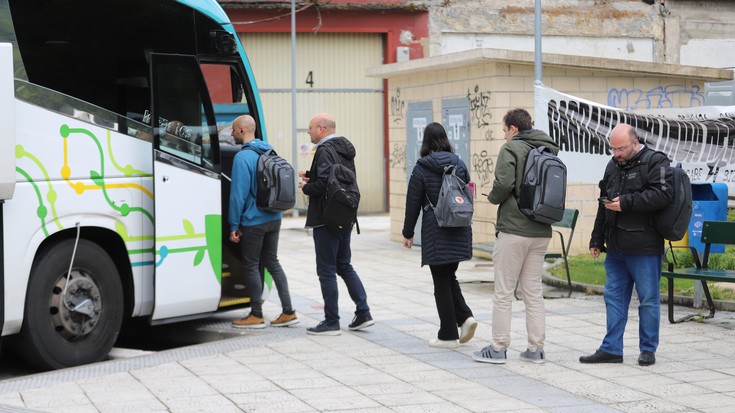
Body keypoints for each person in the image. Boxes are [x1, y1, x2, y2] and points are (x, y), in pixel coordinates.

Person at [580, 123, 672, 367]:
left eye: (621, 149)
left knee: (648, 300)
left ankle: (647, 350)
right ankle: (611, 349)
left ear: (634, 143)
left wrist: (627, 203)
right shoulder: (613, 165)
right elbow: (604, 203)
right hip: (616, 247)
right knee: (613, 298)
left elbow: (663, 195)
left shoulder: (655, 161)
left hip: (644, 247)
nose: (617, 154)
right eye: (613, 149)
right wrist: (596, 238)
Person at [472, 108, 558, 364]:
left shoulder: (512, 149)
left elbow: (503, 185)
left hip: (513, 229)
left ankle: (498, 348)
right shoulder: (548, 150)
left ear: (513, 129)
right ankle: (536, 349)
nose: (504, 135)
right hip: (541, 230)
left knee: (504, 291)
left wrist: (494, 198)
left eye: (504, 130)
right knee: (533, 291)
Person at [402, 122, 477, 349]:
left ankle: (448, 335)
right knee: (449, 276)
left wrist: (407, 233)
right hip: (459, 227)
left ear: (425, 142)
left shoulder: (422, 168)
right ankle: (465, 317)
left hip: (436, 230)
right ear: (445, 139)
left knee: (441, 281)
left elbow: (412, 203)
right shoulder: (460, 164)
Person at [298, 113, 374, 336]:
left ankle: (331, 321)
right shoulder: (344, 149)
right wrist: (312, 175)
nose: (309, 132)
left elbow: (323, 186)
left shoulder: (323, 149)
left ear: (321, 128)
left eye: (310, 128)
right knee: (344, 265)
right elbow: (337, 177)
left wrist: (305, 186)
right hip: (344, 215)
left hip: (326, 217)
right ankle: (363, 313)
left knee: (327, 271)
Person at [228, 115, 298, 329]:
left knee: (251, 265)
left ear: (242, 130)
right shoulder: (269, 151)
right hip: (274, 217)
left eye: (232, 130)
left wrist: (234, 226)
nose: (231, 134)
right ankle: (288, 311)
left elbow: (237, 196)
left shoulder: (243, 158)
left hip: (253, 221)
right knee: (273, 263)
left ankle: (256, 314)